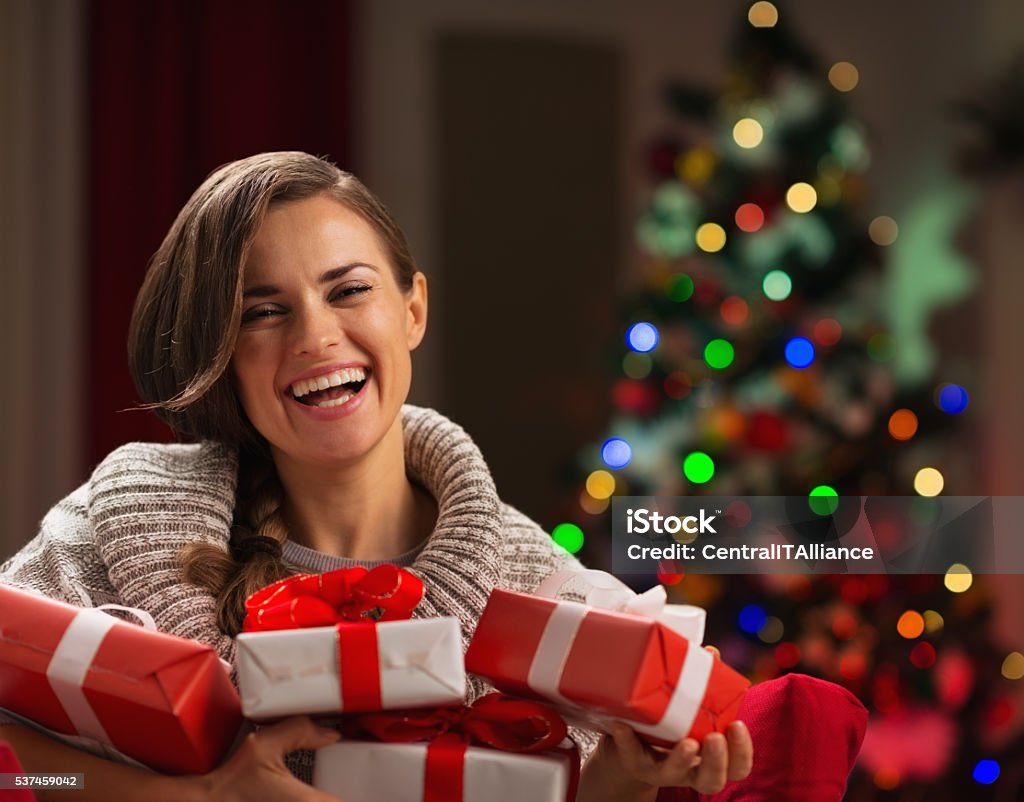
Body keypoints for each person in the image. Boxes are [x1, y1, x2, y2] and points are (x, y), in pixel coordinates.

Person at [0, 152, 755, 801]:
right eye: (262, 312)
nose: (317, 336)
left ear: (413, 309)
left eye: (348, 290)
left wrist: (625, 783)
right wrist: (196, 797)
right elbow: (20, 778)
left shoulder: (542, 591)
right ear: (221, 352)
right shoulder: (118, 527)